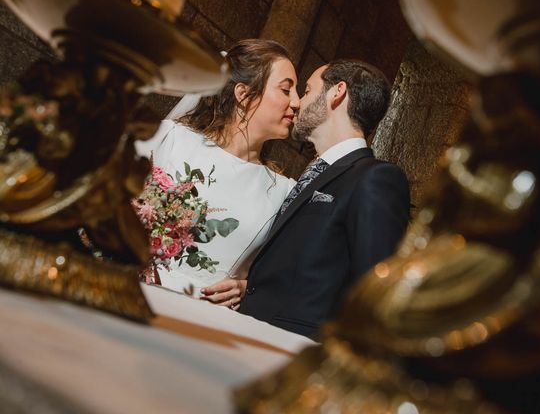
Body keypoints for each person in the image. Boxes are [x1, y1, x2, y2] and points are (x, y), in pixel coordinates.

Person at [237, 59, 410, 338]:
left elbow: (373, 290)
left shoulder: (375, 178)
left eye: (307, 90)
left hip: (294, 347)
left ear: (337, 92)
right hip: (252, 329)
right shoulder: (315, 173)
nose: (297, 103)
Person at [135, 39, 298, 307]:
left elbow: (282, 273)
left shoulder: (283, 191)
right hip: (137, 290)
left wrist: (249, 288)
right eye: (286, 90)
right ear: (244, 95)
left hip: (208, 317)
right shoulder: (170, 138)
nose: (297, 102)